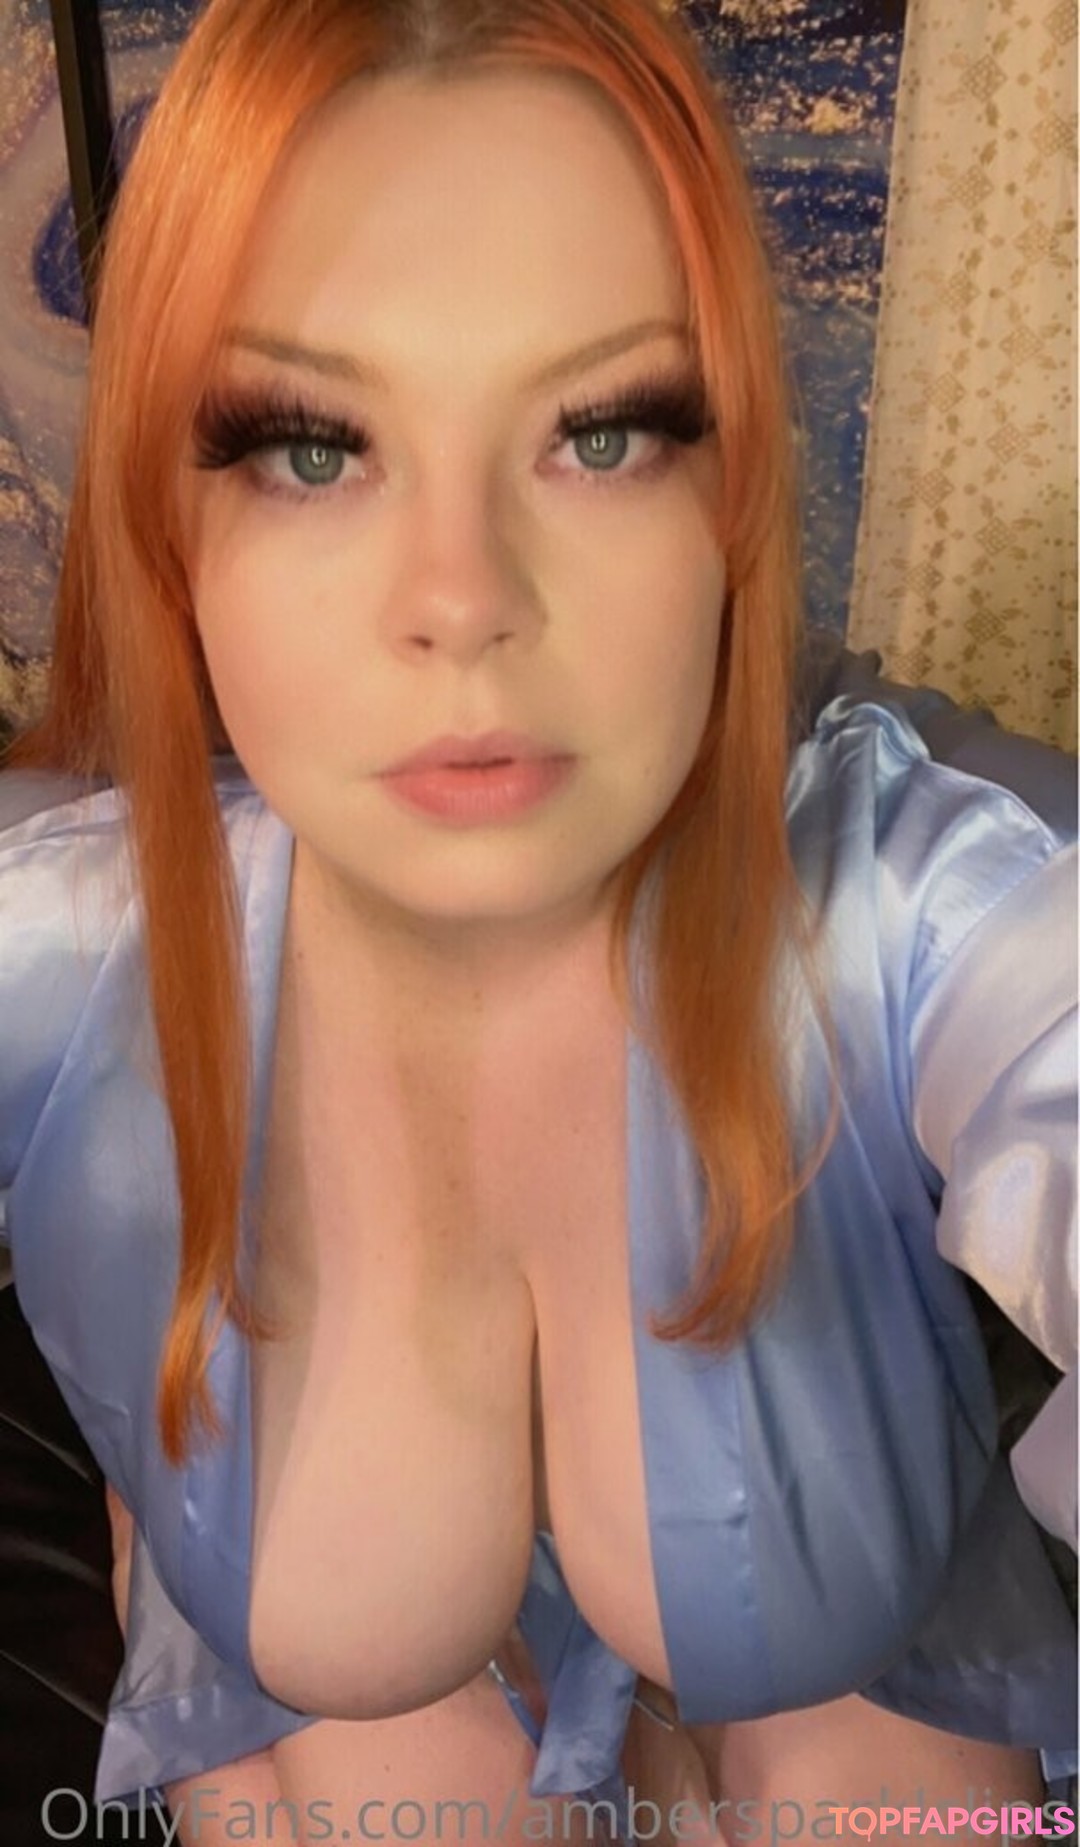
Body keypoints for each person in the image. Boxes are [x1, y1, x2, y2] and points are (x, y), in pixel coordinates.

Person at [0, 0, 1075, 1841]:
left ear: (731, 485)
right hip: (313, 1687)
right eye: (311, 448)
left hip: (870, 1649)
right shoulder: (62, 947)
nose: (464, 598)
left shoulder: (901, 888)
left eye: (604, 433)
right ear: (169, 524)